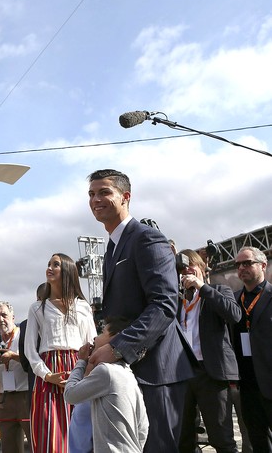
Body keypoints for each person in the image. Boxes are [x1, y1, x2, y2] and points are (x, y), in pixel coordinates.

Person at [87, 169, 194, 453]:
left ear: (125, 197)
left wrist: (118, 347)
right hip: (130, 371)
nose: (96, 199)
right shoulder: (111, 249)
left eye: (104, 192)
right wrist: (103, 339)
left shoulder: (147, 238)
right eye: (91, 194)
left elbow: (164, 304)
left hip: (157, 372)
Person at [24, 253, 97, 453]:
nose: (49, 267)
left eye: (55, 264)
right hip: (48, 373)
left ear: (66, 270)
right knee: (50, 435)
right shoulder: (38, 308)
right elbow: (30, 350)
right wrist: (47, 375)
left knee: (82, 433)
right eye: (48, 264)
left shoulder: (82, 306)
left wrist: (86, 373)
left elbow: (91, 342)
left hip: (78, 369)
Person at [176, 249, 240, 453]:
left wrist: (202, 287)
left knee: (221, 437)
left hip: (211, 373)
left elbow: (234, 315)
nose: (187, 271)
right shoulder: (176, 301)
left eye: (191, 266)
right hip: (183, 373)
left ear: (202, 269)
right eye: (182, 269)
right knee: (184, 438)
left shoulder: (219, 290)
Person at [64, 316, 149, 453]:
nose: (95, 338)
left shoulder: (106, 372)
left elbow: (70, 395)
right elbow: (143, 428)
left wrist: (81, 361)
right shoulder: (129, 375)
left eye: (102, 332)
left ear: (114, 339)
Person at [231, 246, 272, 451]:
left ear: (263, 265)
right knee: (258, 440)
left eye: (247, 263)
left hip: (269, 380)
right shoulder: (233, 300)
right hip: (246, 385)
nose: (241, 268)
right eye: (238, 264)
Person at [0, 301, 31, 453]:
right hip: (5, 399)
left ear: (13, 317)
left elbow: (33, 363)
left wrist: (13, 356)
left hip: (26, 395)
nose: (1, 319)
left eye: (4, 315)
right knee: (9, 447)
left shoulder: (24, 335)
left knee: (37, 443)